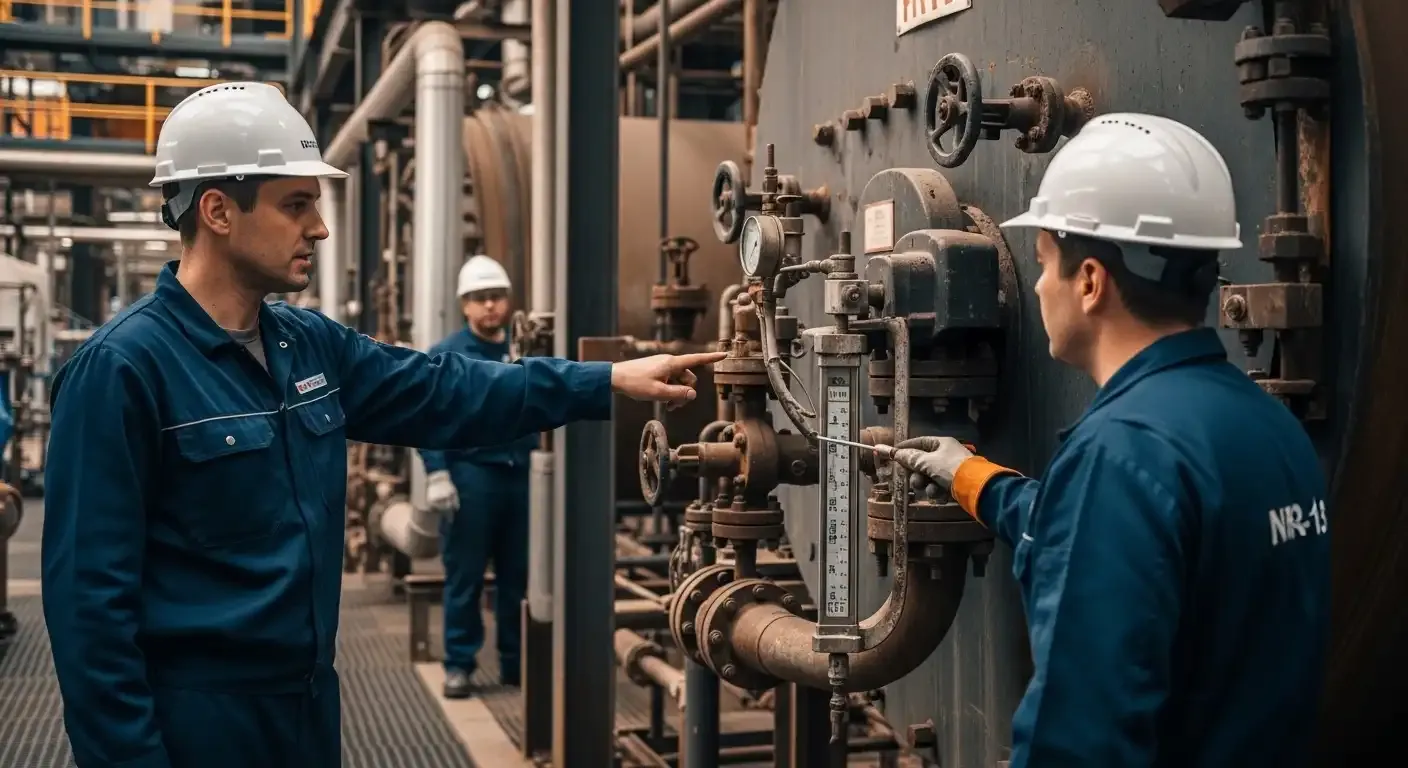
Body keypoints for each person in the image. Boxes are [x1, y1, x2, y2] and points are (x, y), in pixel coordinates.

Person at [40, 81, 725, 768]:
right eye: (296, 205)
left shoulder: (304, 344)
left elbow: (443, 390)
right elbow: (89, 616)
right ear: (218, 211)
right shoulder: (123, 371)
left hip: (308, 707)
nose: (320, 228)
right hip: (199, 723)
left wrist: (603, 381)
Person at [890, 114, 1329, 767]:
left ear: (1090, 281)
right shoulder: (1266, 426)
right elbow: (1127, 546)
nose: (1036, 287)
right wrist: (971, 476)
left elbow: (1080, 737)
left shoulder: (1122, 456)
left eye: (1041, 265)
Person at [418, 254, 534, 699]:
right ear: (465, 305)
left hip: (519, 476)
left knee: (518, 578)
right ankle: (459, 664)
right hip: (471, 478)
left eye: (497, 298)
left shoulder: (522, 351)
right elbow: (427, 418)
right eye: (480, 299)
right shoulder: (447, 356)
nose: (490, 307)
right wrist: (437, 473)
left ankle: (516, 663)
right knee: (464, 577)